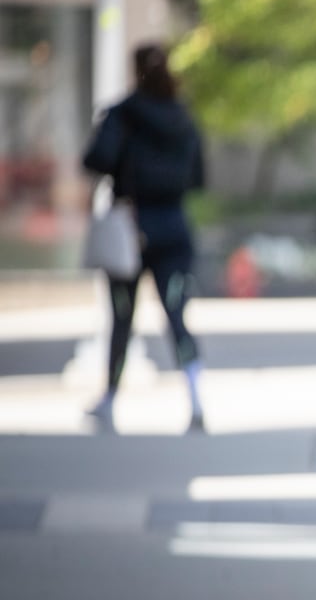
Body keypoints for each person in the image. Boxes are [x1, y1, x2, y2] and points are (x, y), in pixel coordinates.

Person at [83, 44, 207, 433]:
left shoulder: (123, 114)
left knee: (122, 318)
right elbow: (199, 177)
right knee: (176, 315)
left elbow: (95, 160)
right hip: (173, 226)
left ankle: (109, 400)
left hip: (131, 227)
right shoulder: (183, 118)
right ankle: (196, 397)